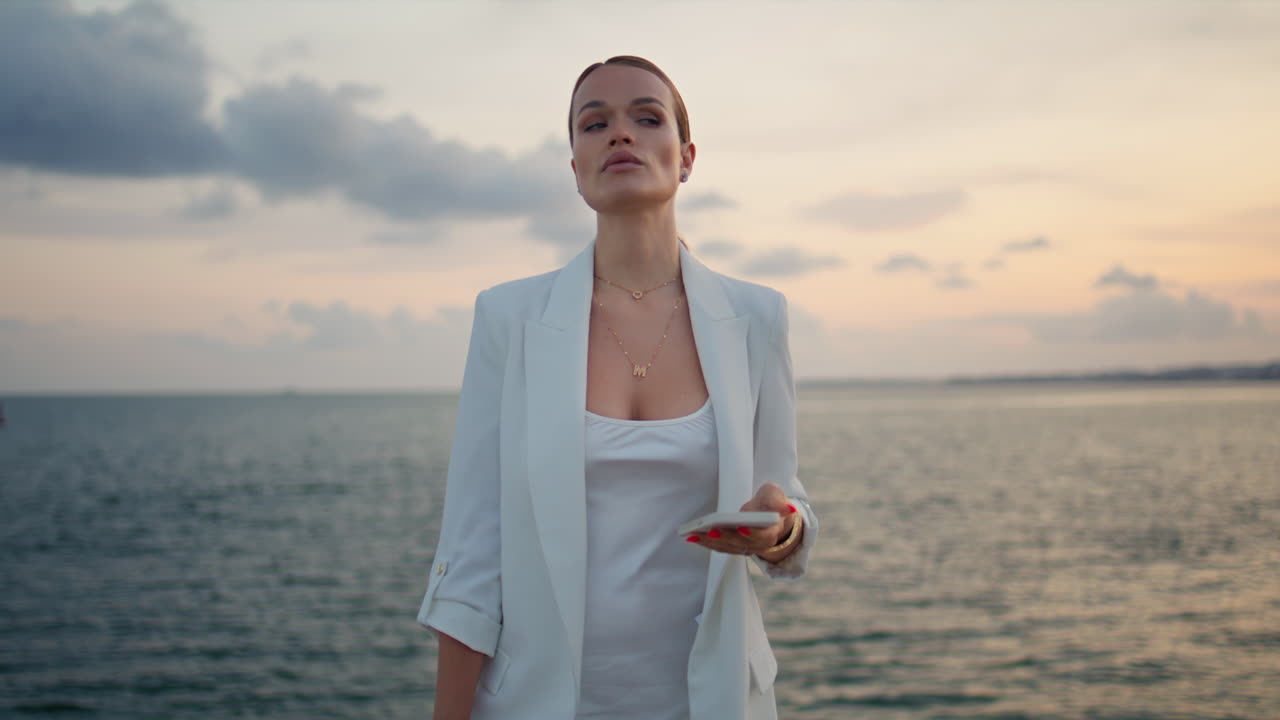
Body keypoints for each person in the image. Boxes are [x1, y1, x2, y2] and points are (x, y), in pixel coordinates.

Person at [416, 55, 818, 720]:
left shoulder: (756, 318)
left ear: (686, 157)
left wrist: (780, 531)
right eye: (593, 123)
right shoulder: (509, 319)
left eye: (647, 117)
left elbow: (789, 510)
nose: (619, 134)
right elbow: (469, 559)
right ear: (576, 169)